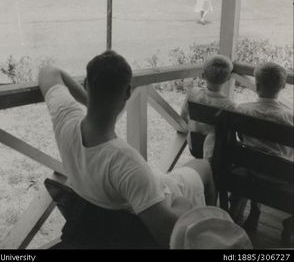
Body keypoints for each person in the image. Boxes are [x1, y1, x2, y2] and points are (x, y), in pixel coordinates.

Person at [39, 50, 216, 248]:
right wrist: (181, 206)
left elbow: (49, 71)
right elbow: (169, 240)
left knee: (200, 168)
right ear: (128, 92)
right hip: (161, 194)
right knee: (206, 168)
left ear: (87, 84)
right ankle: (216, 234)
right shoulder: (126, 163)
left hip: (102, 214)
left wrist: (93, 103)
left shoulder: (66, 120)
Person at [235, 62, 293, 239]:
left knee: (259, 155)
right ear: (282, 86)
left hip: (250, 169)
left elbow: (241, 138)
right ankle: (290, 223)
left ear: (257, 85)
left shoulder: (242, 110)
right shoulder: (289, 117)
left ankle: (254, 209)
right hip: (282, 176)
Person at [181, 55, 235, 162]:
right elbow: (230, 137)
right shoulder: (230, 105)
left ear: (203, 75)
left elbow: (183, 116)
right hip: (217, 152)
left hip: (194, 147)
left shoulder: (193, 93)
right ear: (228, 78)